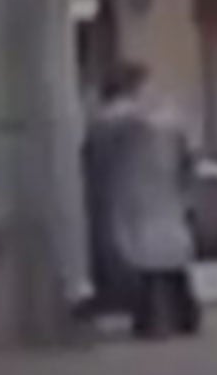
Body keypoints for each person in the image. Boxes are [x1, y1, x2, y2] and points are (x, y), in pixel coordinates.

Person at [82, 60, 202, 339]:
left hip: (133, 203)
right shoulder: (152, 123)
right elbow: (185, 160)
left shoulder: (107, 123)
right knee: (163, 263)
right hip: (154, 201)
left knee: (147, 261)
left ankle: (159, 318)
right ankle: (174, 317)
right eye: (148, 85)